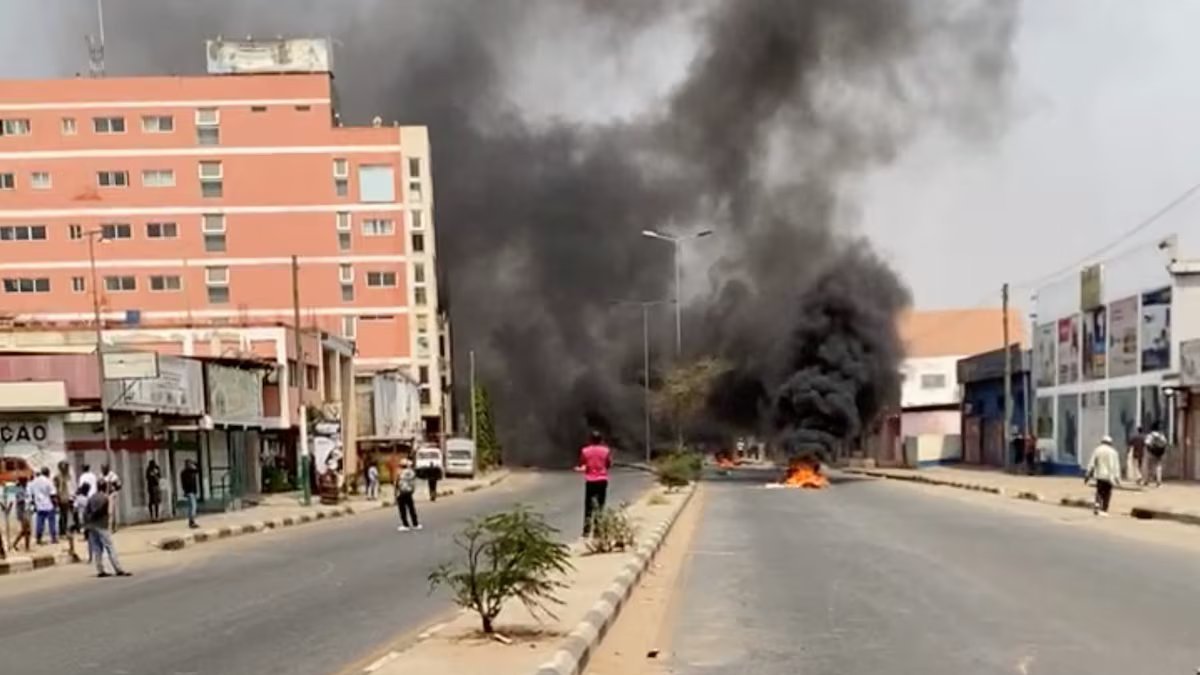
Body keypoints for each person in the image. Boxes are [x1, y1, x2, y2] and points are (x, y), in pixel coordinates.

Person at [84, 481, 130, 578]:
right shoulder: (105, 498)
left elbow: (86, 512)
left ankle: (100, 570)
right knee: (110, 547)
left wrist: (87, 524)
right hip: (102, 525)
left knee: (97, 548)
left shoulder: (92, 498)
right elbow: (109, 512)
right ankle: (118, 569)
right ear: (105, 487)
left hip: (92, 526)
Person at [578, 430, 613, 537]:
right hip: (602, 480)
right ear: (601, 440)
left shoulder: (585, 451)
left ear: (590, 440)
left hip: (590, 481)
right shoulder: (606, 451)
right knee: (600, 505)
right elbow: (608, 464)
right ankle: (598, 530)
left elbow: (582, 464)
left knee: (588, 506)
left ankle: (586, 530)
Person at [1086, 435, 1121, 516]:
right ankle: (1104, 509)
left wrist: (1088, 474)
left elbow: (1092, 463)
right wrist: (1117, 478)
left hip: (1100, 475)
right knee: (1107, 493)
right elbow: (1116, 466)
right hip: (1109, 476)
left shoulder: (1097, 450)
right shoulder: (1114, 452)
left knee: (1099, 491)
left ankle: (1097, 504)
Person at [29, 467, 58, 545]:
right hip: (49, 505)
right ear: (48, 473)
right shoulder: (48, 481)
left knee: (40, 523)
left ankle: (38, 539)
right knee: (52, 522)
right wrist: (55, 504)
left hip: (39, 505)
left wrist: (34, 503)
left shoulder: (34, 482)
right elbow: (53, 494)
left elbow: (32, 494)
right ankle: (53, 538)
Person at [394, 459, 421, 532]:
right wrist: (412, 490)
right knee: (411, 508)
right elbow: (413, 483)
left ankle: (405, 525)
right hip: (409, 492)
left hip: (402, 492)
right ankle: (415, 524)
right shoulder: (412, 473)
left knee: (402, 510)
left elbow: (397, 483)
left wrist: (395, 494)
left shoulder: (400, 473)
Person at [53, 461, 74, 537]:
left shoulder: (66, 476)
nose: (65, 468)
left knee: (65, 515)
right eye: (64, 467)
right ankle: (62, 531)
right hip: (61, 497)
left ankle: (64, 530)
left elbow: (69, 479)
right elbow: (56, 487)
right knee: (62, 515)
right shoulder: (57, 476)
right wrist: (57, 496)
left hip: (65, 497)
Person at [12, 476, 32, 552]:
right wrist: (26, 499)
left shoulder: (23, 489)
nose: (27, 483)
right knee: (26, 530)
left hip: (25, 511)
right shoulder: (19, 489)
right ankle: (26, 547)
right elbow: (20, 500)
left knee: (25, 530)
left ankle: (15, 544)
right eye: (26, 482)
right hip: (22, 512)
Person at [100, 464, 121, 531]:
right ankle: (108, 526)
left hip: (112, 494)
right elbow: (100, 485)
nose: (103, 470)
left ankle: (111, 527)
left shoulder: (112, 475)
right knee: (105, 512)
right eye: (102, 469)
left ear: (107, 469)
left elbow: (118, 485)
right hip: (104, 495)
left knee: (111, 512)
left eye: (104, 469)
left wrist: (114, 488)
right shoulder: (101, 476)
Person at [180, 460, 200, 529]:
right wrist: (185, 491)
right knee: (192, 507)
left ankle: (192, 521)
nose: (190, 465)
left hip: (193, 491)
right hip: (189, 491)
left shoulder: (192, 471)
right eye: (189, 464)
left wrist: (195, 463)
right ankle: (191, 521)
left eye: (191, 464)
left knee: (193, 507)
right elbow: (184, 483)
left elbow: (198, 469)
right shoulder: (184, 473)